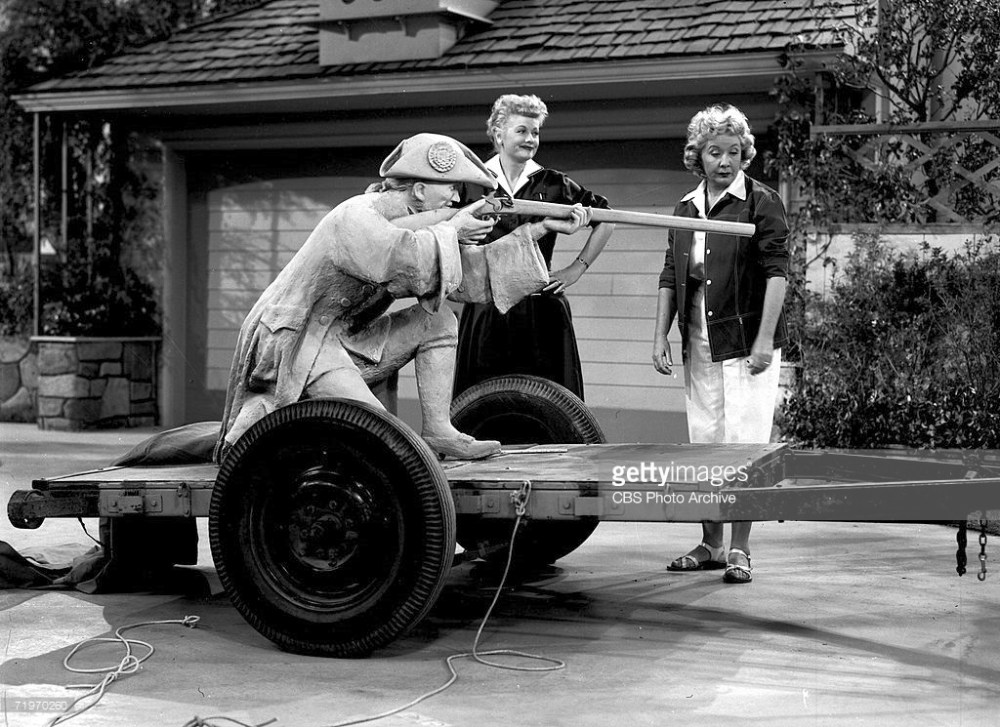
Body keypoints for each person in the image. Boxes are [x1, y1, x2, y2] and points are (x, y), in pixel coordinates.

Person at [215, 132, 592, 463]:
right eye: (451, 188)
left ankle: (440, 430)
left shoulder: (422, 226)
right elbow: (397, 258)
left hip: (346, 340)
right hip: (303, 346)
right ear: (420, 191)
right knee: (383, 439)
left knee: (438, 320)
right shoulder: (355, 216)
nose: (457, 197)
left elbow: (464, 277)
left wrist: (540, 228)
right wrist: (453, 229)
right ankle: (248, 431)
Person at [652, 104, 789, 584]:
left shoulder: (762, 202)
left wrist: (765, 340)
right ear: (699, 155)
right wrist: (660, 335)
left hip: (748, 344)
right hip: (699, 343)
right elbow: (671, 272)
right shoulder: (686, 208)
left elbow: (778, 273)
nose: (725, 161)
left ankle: (740, 548)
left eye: (733, 151)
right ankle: (710, 544)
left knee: (743, 448)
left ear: (744, 154)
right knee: (705, 447)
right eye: (715, 152)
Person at [454, 93, 615, 400]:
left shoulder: (554, 183)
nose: (530, 139)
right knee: (481, 405)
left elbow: (607, 219)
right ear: (498, 134)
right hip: (485, 310)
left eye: (535, 132)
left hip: (541, 311)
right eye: (522, 131)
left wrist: (576, 268)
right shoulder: (471, 183)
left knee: (550, 406)